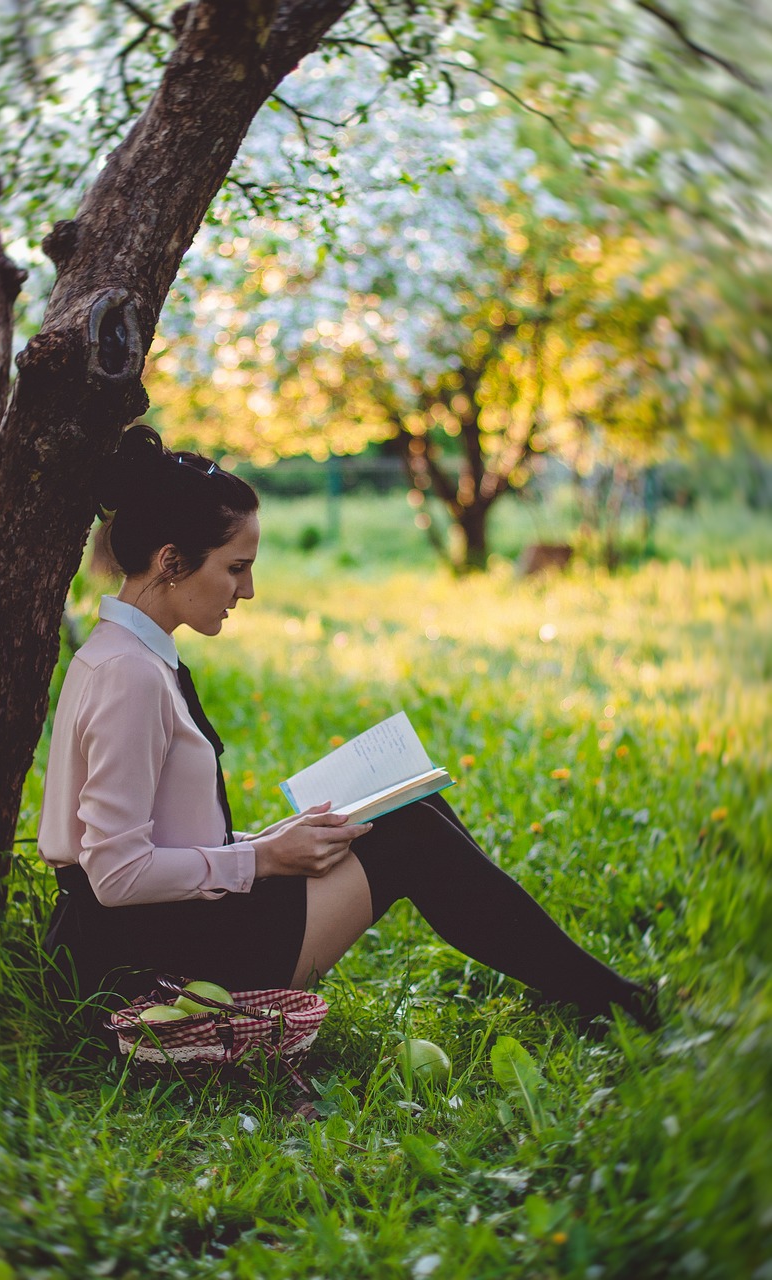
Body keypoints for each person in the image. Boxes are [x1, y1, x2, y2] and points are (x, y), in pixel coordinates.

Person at [39, 424, 657, 1031]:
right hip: (153, 959)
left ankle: (586, 989)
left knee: (412, 804)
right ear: (172, 561)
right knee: (413, 832)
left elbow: (157, 839)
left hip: (171, 926)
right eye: (235, 568)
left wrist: (276, 839)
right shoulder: (129, 674)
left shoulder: (128, 654)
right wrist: (262, 858)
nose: (247, 590)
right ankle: (612, 1002)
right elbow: (116, 876)